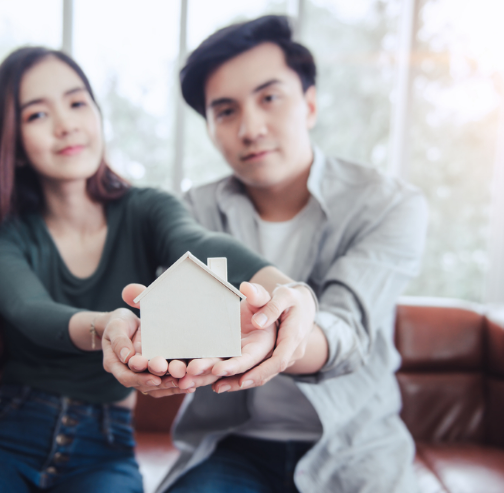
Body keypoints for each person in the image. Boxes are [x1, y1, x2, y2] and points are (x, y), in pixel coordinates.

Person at [0, 46, 317, 492]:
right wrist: (109, 325)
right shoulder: (9, 233)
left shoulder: (147, 210)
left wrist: (294, 293)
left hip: (104, 442)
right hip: (13, 426)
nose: (66, 123)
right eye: (36, 115)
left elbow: (201, 246)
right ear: (12, 145)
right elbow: (28, 309)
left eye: (77, 103)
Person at [151, 15, 429, 493]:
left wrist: (279, 341)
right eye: (226, 111)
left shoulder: (389, 204)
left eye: (269, 98)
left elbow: (350, 327)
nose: (251, 127)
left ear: (311, 104)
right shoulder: (189, 213)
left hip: (355, 448)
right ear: (211, 128)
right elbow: (169, 329)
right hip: (231, 443)